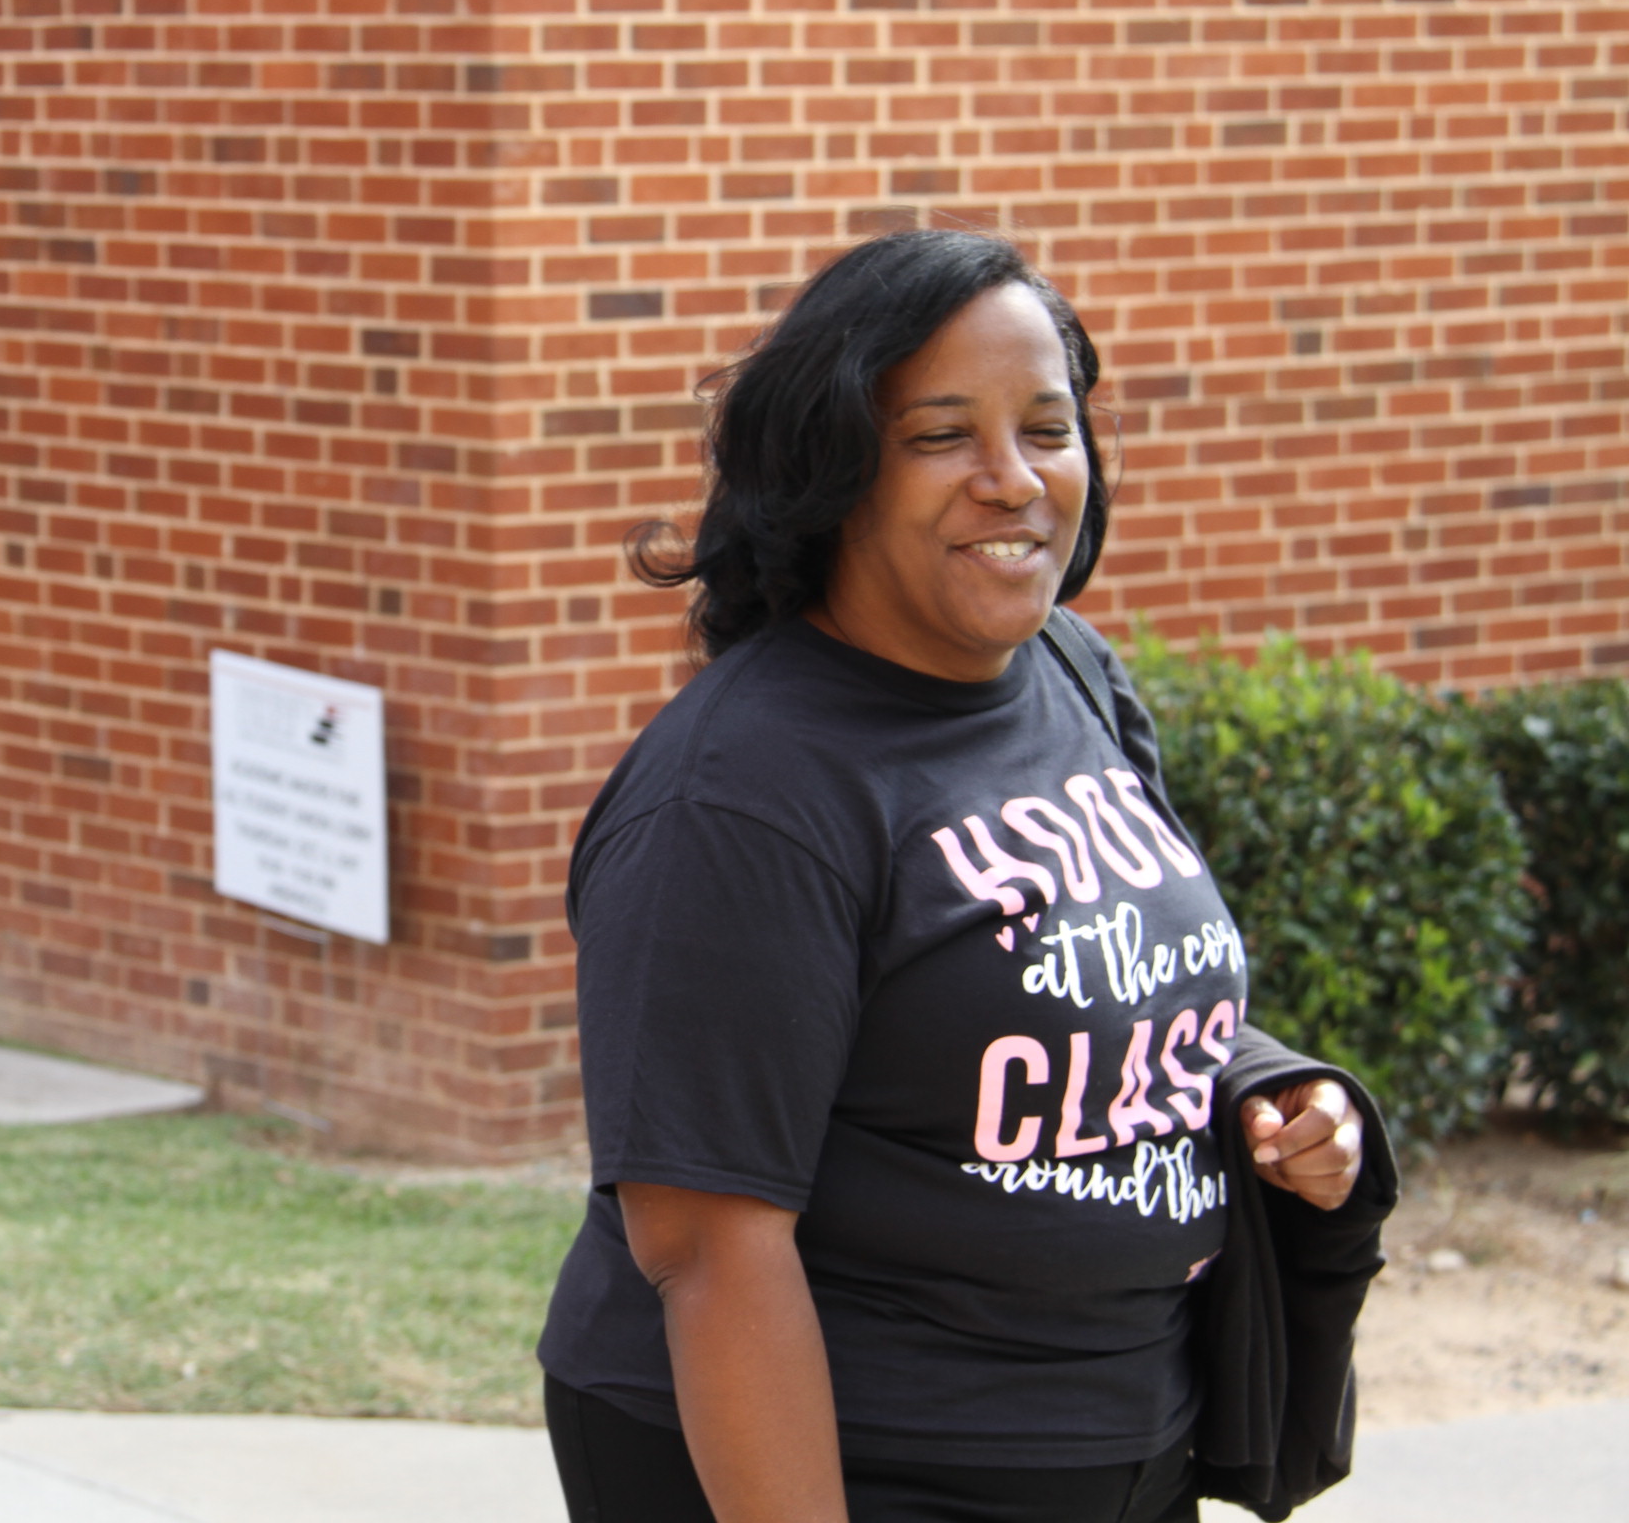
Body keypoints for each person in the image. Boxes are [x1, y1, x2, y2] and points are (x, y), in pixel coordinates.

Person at [535, 230, 1388, 1523]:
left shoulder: (1074, 675)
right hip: (860, 1465)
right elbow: (710, 1253)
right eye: (942, 436)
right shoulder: (743, 797)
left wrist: (1259, 1087)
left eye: (1047, 429)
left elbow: (1066, 979)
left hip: (1118, 1441)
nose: (1014, 480)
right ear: (835, 475)